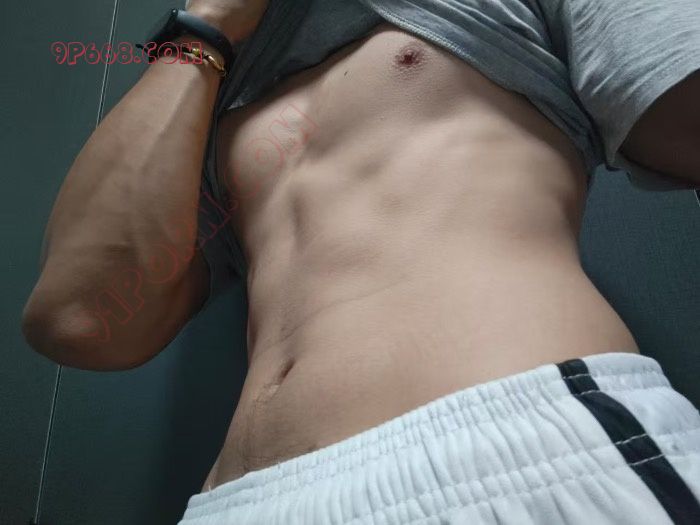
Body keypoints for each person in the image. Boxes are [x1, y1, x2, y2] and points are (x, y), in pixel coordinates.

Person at [22, 0, 700, 523]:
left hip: (514, 450)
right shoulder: (212, 82)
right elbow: (79, 319)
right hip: (240, 502)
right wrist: (206, 26)